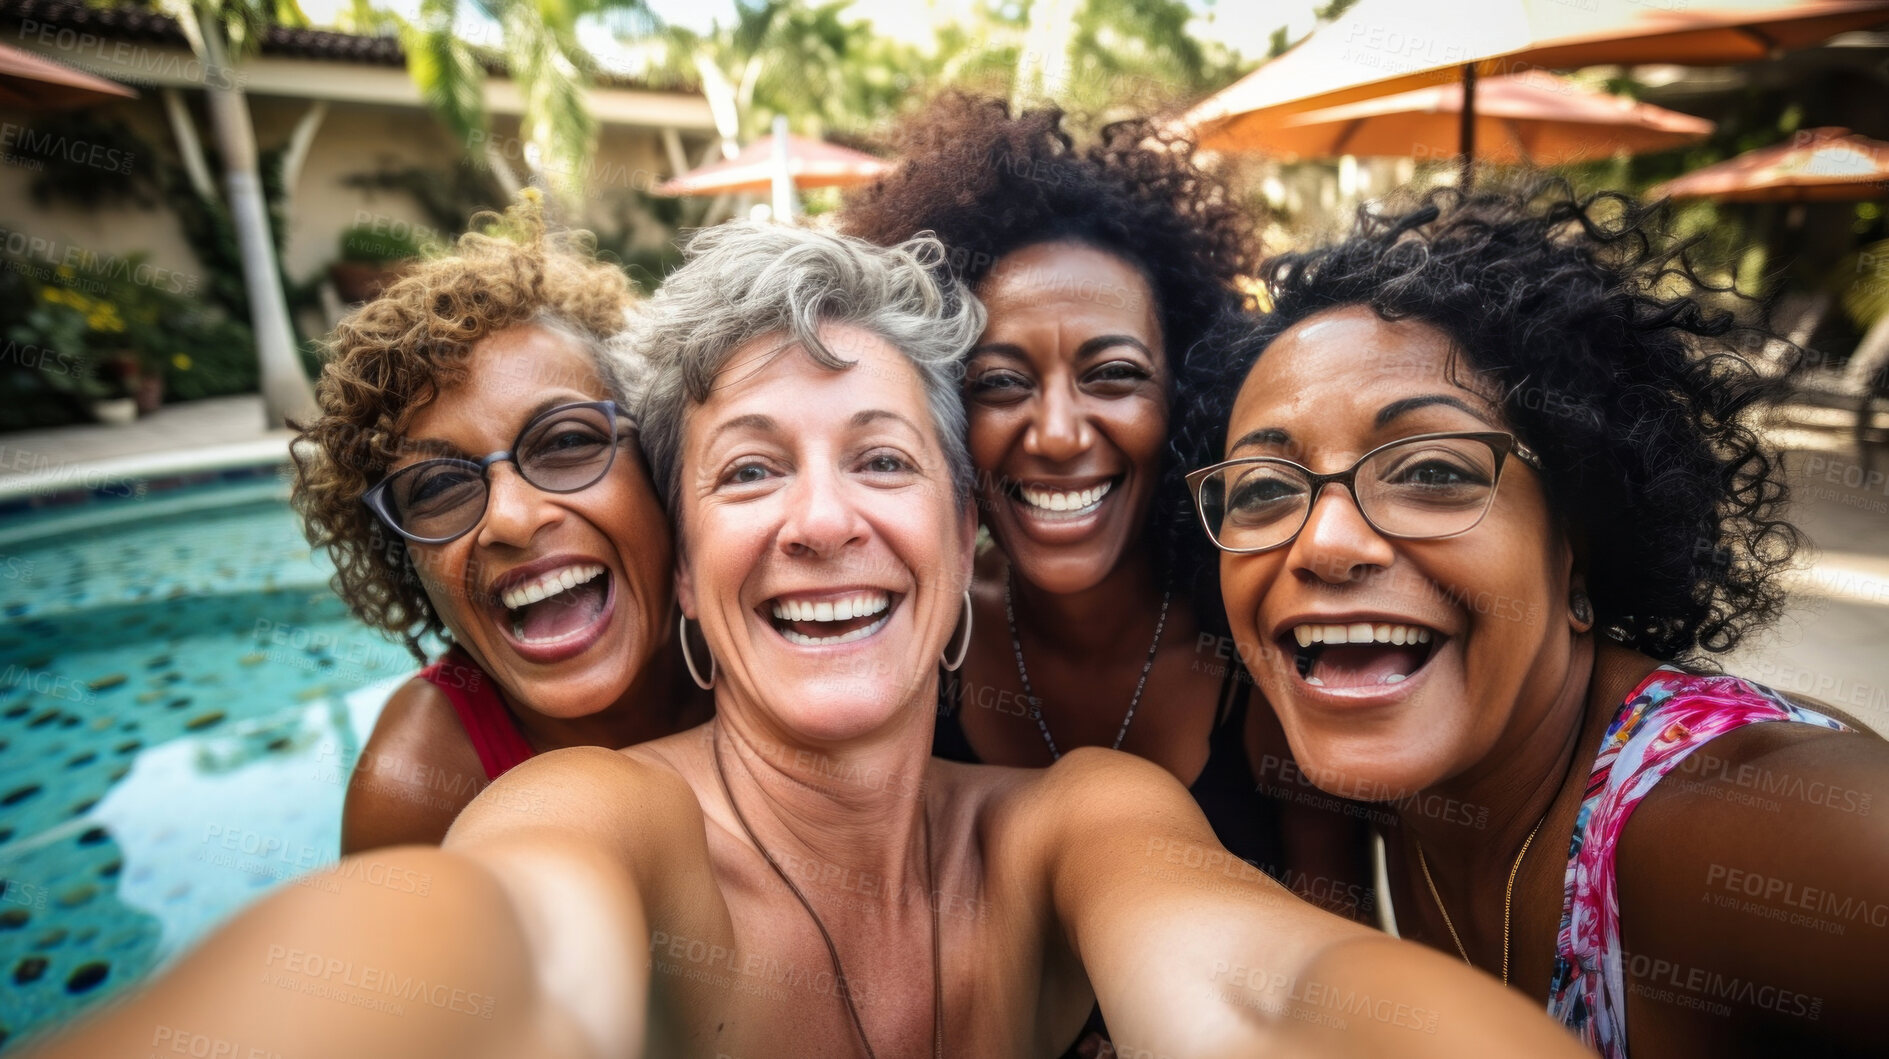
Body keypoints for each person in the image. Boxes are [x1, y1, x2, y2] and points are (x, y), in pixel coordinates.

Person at [25, 222, 1589, 1059]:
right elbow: (497, 955)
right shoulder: (584, 822)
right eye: (750, 466)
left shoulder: (1081, 819)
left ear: (971, 547)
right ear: (689, 575)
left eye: (884, 457)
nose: (822, 520)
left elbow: (1269, 993)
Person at [1181, 181, 1889, 1058]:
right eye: (1262, 488)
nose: (1324, 542)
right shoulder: (1340, 744)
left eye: (1433, 472)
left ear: (1576, 544)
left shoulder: (1760, 832)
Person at [843, 94, 1367, 916]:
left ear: (1187, 396)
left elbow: (1344, 959)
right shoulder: (901, 635)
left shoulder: (1261, 645)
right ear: (940, 406)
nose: (1055, 434)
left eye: (1113, 375)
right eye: (1000, 382)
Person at [291, 198, 708, 853]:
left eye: (566, 441)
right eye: (438, 486)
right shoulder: (417, 790)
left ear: (659, 460)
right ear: (403, 558)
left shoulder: (766, 650)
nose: (510, 517)